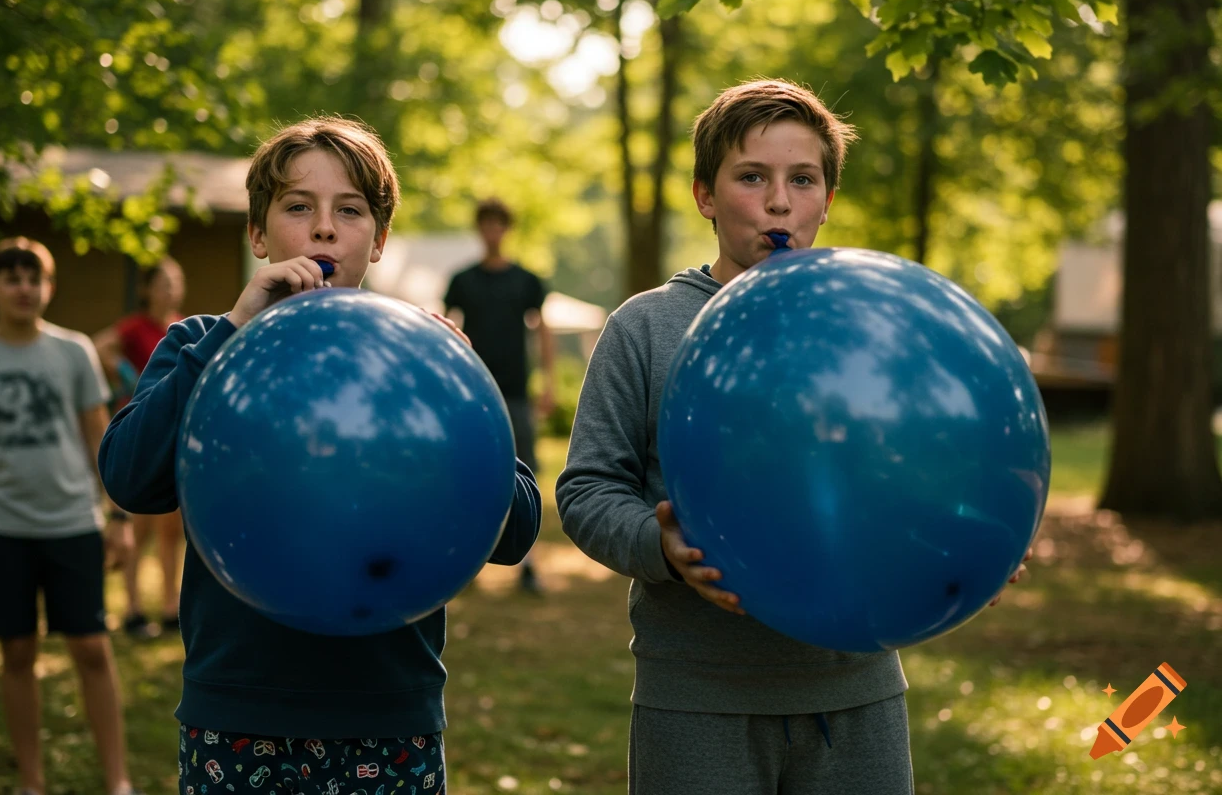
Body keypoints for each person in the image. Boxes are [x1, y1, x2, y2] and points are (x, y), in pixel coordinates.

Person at [555, 80, 1032, 795]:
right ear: (705, 196)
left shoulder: (875, 323)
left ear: (827, 198)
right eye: (752, 177)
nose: (779, 201)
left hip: (857, 687)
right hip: (697, 695)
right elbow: (587, 490)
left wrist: (973, 541)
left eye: (802, 179)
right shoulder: (645, 329)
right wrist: (661, 546)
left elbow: (917, 468)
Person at [98, 116, 542, 794]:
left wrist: (466, 393)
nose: (324, 228)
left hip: (388, 716)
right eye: (298, 207)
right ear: (257, 232)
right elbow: (131, 478)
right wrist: (232, 330)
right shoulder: (201, 343)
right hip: (237, 710)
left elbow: (515, 531)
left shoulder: (418, 356)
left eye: (350, 210)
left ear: (381, 238)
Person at [0, 237, 142, 795]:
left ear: (49, 288)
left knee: (91, 649)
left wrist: (119, 517)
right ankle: (32, 781)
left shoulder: (74, 351)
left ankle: (118, 780)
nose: (24, 288)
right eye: (11, 278)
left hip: (73, 524)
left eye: (35, 278)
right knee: (17, 653)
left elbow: (99, 439)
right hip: (1, 530)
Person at [444, 197, 555, 594]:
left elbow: (542, 330)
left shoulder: (526, 280)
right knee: (465, 474)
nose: (492, 231)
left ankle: (529, 567)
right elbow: (447, 331)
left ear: (507, 229)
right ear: (479, 229)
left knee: (526, 477)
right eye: (486, 224)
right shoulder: (462, 280)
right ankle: (465, 559)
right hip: (473, 397)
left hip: (516, 393)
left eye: (499, 224)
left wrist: (549, 382)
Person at [93, 257, 186, 638]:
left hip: (175, 438)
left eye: (175, 282)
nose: (170, 289)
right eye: (163, 283)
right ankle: (131, 608)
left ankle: (169, 606)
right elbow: (99, 346)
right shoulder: (134, 326)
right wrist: (124, 375)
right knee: (139, 529)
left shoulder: (182, 326)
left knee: (172, 531)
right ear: (146, 289)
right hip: (141, 437)